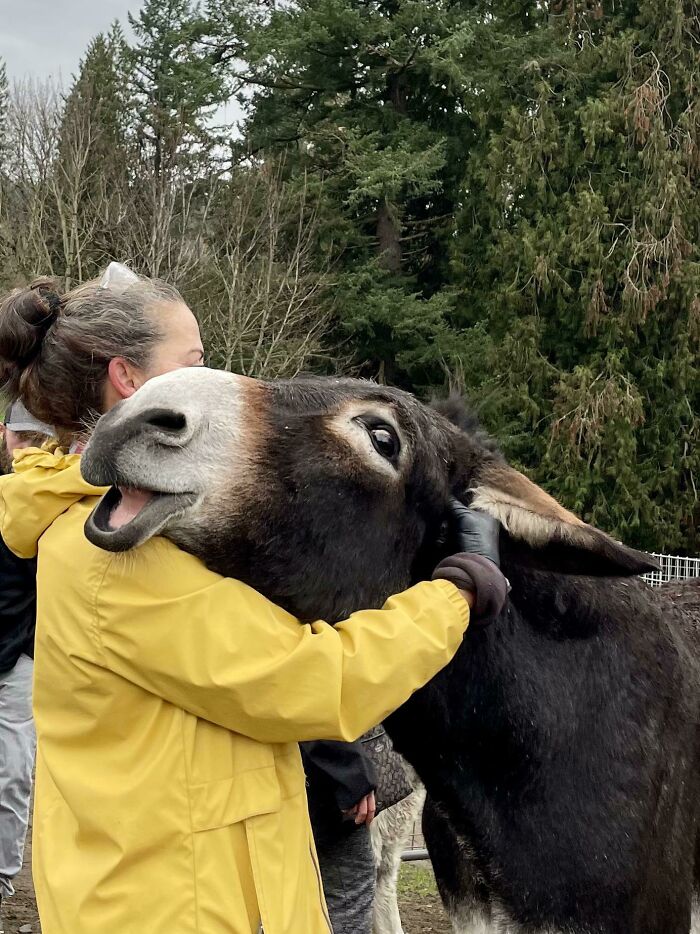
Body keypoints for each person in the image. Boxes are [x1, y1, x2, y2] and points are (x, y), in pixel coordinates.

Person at [0, 268, 508, 933]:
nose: (217, 379)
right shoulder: (113, 556)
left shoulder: (125, 521)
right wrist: (457, 592)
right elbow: (311, 680)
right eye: (195, 361)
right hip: (173, 909)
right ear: (130, 380)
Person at [0, 402, 53, 933]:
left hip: (19, 660)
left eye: (38, 442)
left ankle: (1, 875)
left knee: (12, 771)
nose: (28, 453)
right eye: (21, 441)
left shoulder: (54, 508)